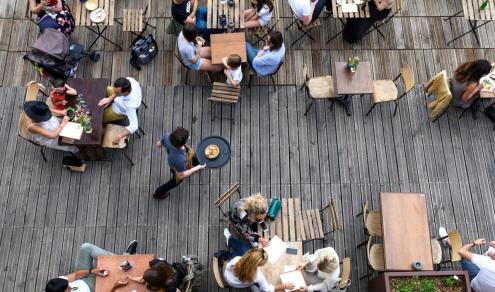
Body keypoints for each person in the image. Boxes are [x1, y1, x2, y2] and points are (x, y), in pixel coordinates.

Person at [44, 240, 138, 292]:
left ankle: (124, 259)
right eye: (67, 289)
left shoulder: (57, 284)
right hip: (93, 289)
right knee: (117, 277)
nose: (70, 286)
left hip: (84, 277)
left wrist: (92, 271)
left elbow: (75, 275)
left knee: (85, 248)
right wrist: (114, 286)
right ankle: (127, 257)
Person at [153, 127, 206, 199]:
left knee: (193, 157)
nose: (189, 138)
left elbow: (158, 144)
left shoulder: (166, 137)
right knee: (175, 182)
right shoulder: (180, 160)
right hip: (177, 166)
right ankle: (158, 193)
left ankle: (197, 164)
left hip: (179, 156)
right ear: (183, 143)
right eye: (187, 138)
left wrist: (168, 147)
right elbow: (180, 175)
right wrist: (197, 168)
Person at [223, 249, 297, 291]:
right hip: (238, 284)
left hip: (228, 277)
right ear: (258, 265)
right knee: (256, 289)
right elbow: (267, 290)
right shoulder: (257, 276)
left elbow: (227, 268)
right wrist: (284, 286)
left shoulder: (237, 259)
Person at [98, 77, 142, 145]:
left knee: (100, 117)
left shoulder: (130, 106)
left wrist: (119, 137)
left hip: (118, 110)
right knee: (103, 88)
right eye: (114, 89)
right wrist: (110, 98)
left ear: (126, 92)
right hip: (118, 99)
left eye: (117, 92)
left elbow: (134, 126)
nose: (114, 92)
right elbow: (116, 91)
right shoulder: (129, 80)